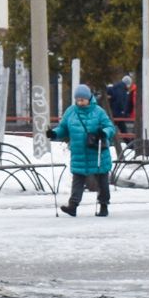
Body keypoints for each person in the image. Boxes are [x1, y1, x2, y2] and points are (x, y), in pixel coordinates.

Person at [49, 83, 116, 217]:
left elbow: (110, 127)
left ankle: (103, 206)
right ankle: (72, 206)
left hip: (97, 152)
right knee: (78, 179)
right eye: (77, 99)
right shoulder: (71, 111)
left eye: (82, 99)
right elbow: (63, 128)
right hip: (79, 152)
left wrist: (104, 133)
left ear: (89, 98)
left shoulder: (98, 111)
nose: (80, 102)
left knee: (102, 181)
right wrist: (54, 133)